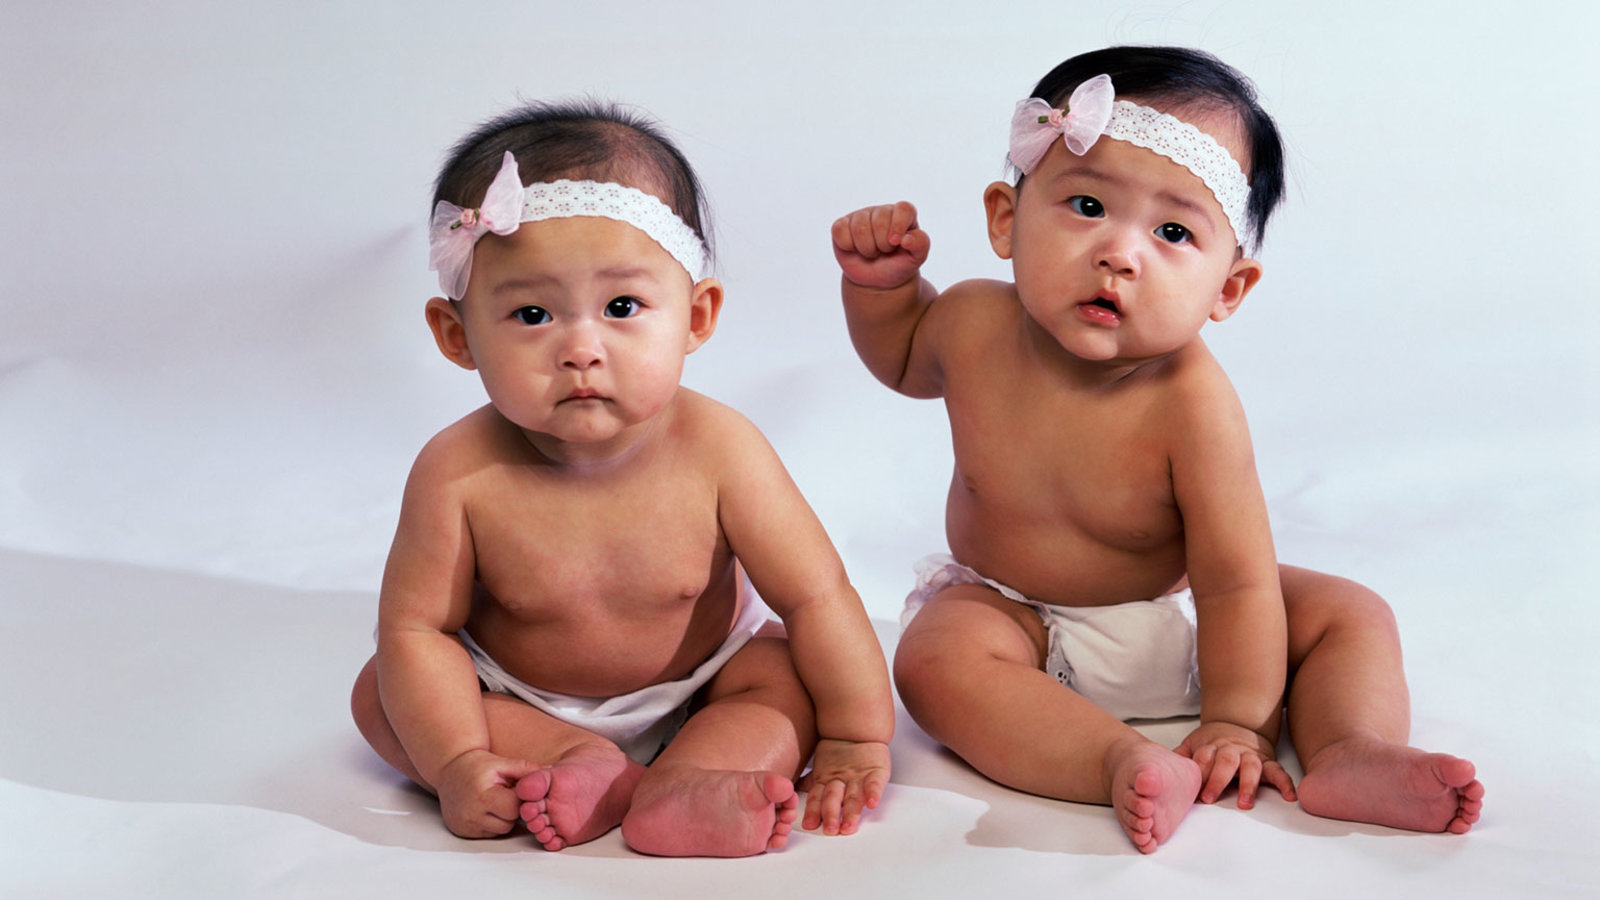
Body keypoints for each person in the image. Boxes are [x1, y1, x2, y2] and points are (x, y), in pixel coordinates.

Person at [831, 46, 1482, 854]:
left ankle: (1351, 747)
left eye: (1173, 231)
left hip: (1191, 623)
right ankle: (1115, 760)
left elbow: (1236, 580)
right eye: (1088, 206)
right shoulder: (969, 324)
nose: (1120, 253)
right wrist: (882, 290)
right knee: (934, 659)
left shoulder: (1195, 407)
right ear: (1005, 219)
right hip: (1018, 619)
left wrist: (1238, 721)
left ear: (1227, 289)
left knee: (1351, 614)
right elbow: (902, 360)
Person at [352, 100, 893, 858]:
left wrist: (855, 735)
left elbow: (816, 596)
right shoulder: (456, 472)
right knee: (383, 690)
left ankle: (692, 779)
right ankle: (578, 764)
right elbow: (420, 630)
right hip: (518, 700)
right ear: (457, 335)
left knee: (780, 676)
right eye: (532, 314)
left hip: (704, 683)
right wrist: (455, 760)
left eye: (621, 306)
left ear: (696, 317)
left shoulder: (723, 450)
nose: (581, 348)